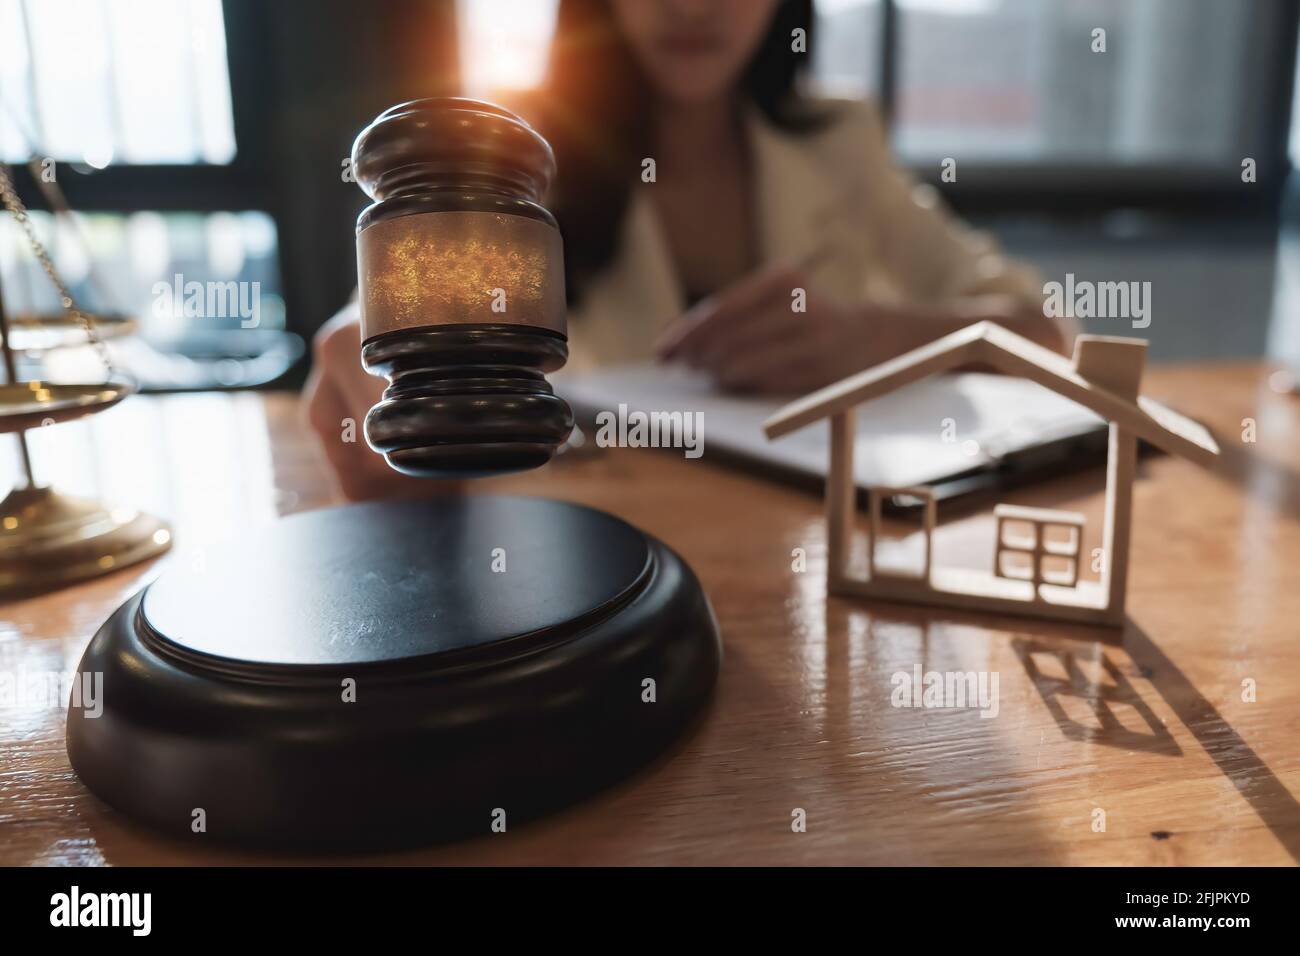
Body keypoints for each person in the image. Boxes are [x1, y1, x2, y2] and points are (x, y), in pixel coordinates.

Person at [305, 0, 1071, 500]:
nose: (694, 8)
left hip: (805, 549)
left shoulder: (843, 138)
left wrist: (876, 336)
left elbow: (1042, 328)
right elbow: (424, 272)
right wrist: (366, 335)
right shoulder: (520, 148)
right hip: (606, 544)